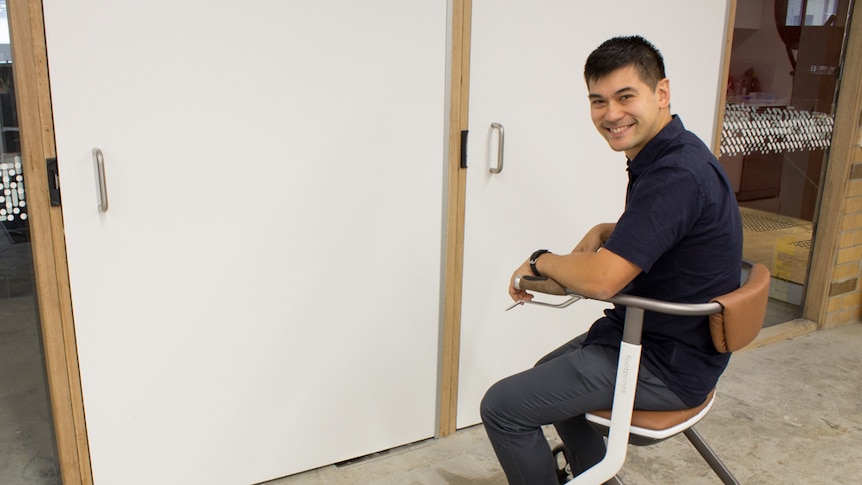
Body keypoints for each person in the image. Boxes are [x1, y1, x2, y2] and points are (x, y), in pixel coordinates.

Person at [480, 35, 743, 484]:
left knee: (502, 407)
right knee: (547, 375)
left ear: (661, 93)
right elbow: (669, 231)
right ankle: (591, 476)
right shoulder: (674, 154)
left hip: (664, 363)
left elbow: (602, 281)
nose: (611, 114)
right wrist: (608, 232)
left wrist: (541, 261)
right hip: (671, 345)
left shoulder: (675, 175)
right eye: (598, 101)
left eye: (625, 97)